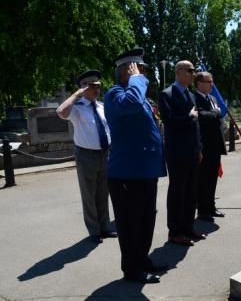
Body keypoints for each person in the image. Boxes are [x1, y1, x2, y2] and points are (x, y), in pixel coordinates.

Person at [104, 47, 167, 284]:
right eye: (139, 70)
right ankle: (132, 270)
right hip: (127, 173)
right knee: (130, 224)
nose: (143, 75)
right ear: (126, 72)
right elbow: (131, 102)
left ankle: (142, 260)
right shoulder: (115, 94)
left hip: (144, 171)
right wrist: (136, 80)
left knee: (146, 220)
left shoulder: (135, 94)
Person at [56, 70, 116, 244]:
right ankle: (94, 231)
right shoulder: (77, 108)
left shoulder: (102, 107)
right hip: (86, 155)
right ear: (83, 88)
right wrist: (77, 94)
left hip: (105, 154)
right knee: (89, 195)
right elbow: (61, 112)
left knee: (103, 193)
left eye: (98, 86)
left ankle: (105, 226)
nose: (97, 89)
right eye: (92, 86)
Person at [158, 60, 206, 247]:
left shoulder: (192, 96)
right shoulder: (166, 94)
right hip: (177, 153)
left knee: (191, 192)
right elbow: (169, 121)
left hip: (193, 152)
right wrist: (189, 116)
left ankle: (188, 226)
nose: (193, 74)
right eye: (190, 70)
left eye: (194, 71)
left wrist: (200, 148)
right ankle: (175, 231)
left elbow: (197, 127)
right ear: (178, 72)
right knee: (177, 192)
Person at [193, 71, 227, 222]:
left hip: (215, 145)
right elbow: (202, 117)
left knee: (212, 178)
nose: (212, 84)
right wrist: (215, 113)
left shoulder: (212, 98)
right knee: (203, 179)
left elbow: (213, 117)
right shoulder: (194, 98)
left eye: (212, 81)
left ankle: (211, 207)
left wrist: (214, 113)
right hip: (203, 146)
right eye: (209, 81)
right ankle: (202, 210)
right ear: (200, 83)